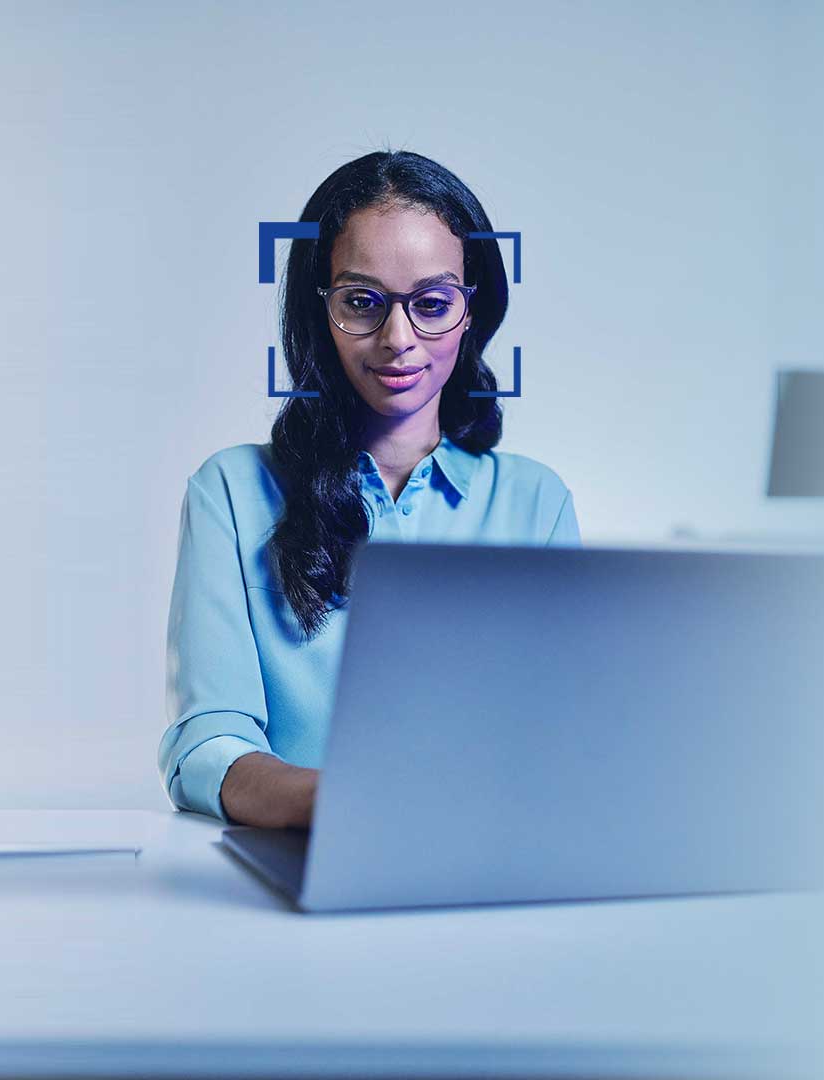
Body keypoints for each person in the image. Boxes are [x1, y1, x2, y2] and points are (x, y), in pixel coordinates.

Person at [158, 150, 580, 828]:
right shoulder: (232, 492)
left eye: (433, 304)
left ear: (472, 312)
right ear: (320, 309)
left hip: (490, 861)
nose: (397, 338)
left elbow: (562, 732)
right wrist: (335, 803)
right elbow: (207, 745)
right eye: (362, 302)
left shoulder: (535, 501)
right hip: (302, 856)